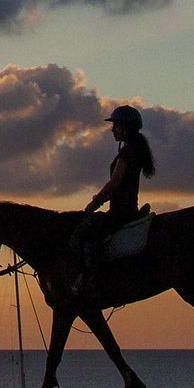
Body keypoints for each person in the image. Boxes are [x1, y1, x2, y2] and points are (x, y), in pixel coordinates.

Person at [71, 105, 156, 299]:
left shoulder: (128, 153)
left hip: (121, 212)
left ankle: (91, 279)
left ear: (125, 128)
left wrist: (95, 202)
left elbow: (114, 182)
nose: (112, 130)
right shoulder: (133, 150)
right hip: (123, 208)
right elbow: (118, 187)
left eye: (116, 126)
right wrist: (101, 201)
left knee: (84, 232)